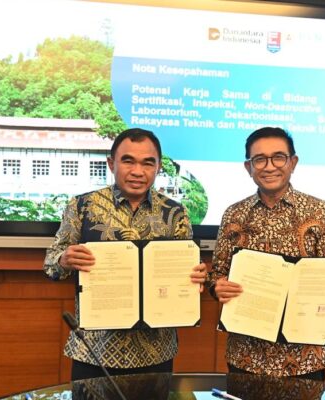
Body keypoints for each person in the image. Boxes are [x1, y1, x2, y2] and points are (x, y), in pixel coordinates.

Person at [44, 128, 207, 380]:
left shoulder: (175, 212)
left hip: (157, 351)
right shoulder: (82, 206)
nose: (137, 171)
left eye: (147, 163)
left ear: (158, 167)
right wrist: (64, 259)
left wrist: (196, 276)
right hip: (94, 350)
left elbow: (185, 269)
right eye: (128, 161)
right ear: (112, 163)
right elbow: (51, 265)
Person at [208, 127, 325, 381]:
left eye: (278, 157)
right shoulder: (234, 214)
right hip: (246, 355)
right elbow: (217, 274)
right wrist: (217, 287)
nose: (269, 167)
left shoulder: (318, 211)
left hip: (304, 358)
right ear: (248, 167)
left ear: (292, 162)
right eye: (259, 159)